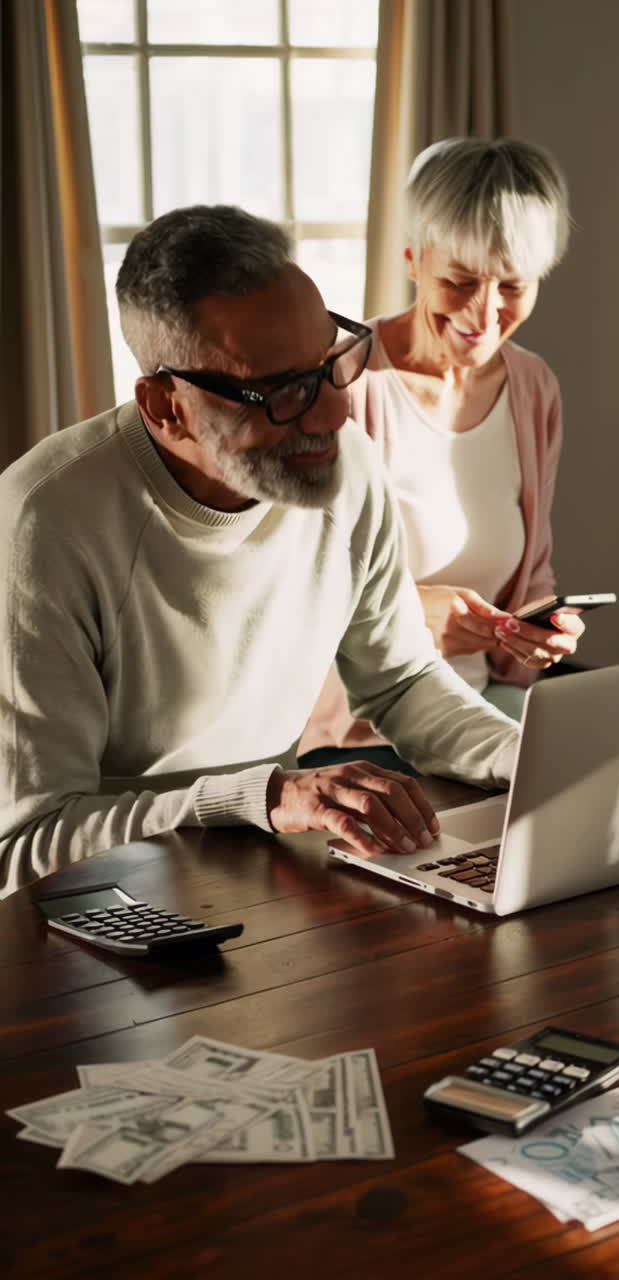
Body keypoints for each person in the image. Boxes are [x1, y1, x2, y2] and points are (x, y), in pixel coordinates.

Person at [0, 204, 522, 898]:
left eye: (330, 364)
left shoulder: (347, 465)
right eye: (280, 392)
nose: (333, 413)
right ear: (165, 405)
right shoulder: (44, 522)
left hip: (269, 872)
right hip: (110, 910)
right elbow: (29, 842)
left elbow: (400, 681)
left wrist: (534, 757)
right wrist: (264, 797)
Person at [299, 137, 585, 771]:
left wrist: (542, 627)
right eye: (460, 281)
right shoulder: (344, 383)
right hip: (364, 730)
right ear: (412, 259)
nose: (485, 313)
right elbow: (296, 588)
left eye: (513, 285)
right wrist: (408, 618)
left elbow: (533, 572)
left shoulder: (533, 387)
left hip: (487, 707)